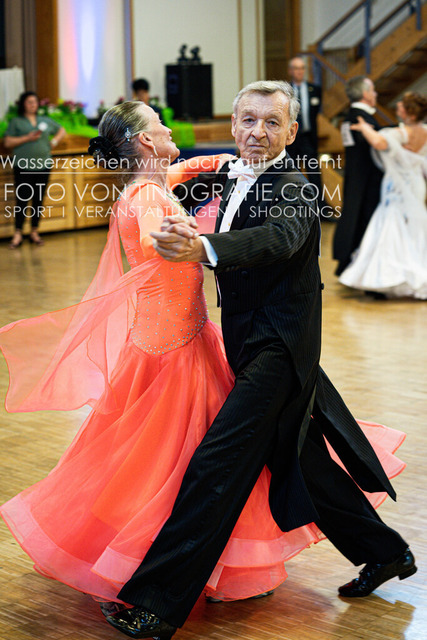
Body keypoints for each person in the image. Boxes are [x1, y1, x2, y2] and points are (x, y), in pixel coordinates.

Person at [0, 100, 403, 617]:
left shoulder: (175, 182)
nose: (170, 128)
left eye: (270, 123)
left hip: (237, 341)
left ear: (290, 131)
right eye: (160, 124)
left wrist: (221, 171)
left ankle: (165, 594)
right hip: (182, 347)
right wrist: (188, 234)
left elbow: (217, 189)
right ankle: (157, 583)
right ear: (146, 141)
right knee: (236, 461)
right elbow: (159, 236)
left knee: (238, 461)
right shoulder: (150, 195)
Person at [106, 81, 416, 640]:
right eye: (248, 120)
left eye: (272, 123)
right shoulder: (231, 172)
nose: (258, 132)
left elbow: (277, 238)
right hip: (248, 342)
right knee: (302, 458)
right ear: (233, 125)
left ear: (292, 132)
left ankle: (155, 604)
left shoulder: (294, 185)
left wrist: (204, 248)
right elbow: (172, 186)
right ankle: (386, 552)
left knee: (217, 466)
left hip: (281, 346)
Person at [339, 92, 427, 298]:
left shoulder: (402, 133)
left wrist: (365, 128)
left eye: (402, 105)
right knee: (414, 226)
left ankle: (391, 274)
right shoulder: (425, 132)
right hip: (416, 183)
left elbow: (379, 143)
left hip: (397, 186)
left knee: (390, 224)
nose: (398, 106)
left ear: (411, 113)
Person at [333, 76, 383, 275]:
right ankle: (355, 265)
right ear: (365, 94)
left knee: (353, 217)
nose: (376, 94)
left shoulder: (350, 117)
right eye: (373, 90)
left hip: (355, 178)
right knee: (361, 219)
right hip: (367, 181)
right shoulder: (361, 119)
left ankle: (347, 262)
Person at [3, 91, 66, 248]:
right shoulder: (16, 122)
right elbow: (7, 142)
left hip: (43, 166)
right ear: (23, 104)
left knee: (38, 200)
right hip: (23, 166)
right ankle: (18, 233)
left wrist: (54, 142)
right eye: (29, 102)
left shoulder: (44, 120)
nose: (33, 105)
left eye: (35, 102)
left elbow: (61, 130)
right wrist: (27, 138)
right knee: (22, 200)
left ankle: (34, 231)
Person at [286, 56, 323, 208]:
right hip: (291, 139)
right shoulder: (285, 91)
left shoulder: (315, 89)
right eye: (296, 68)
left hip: (308, 137)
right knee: (292, 173)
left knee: (314, 173)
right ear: (290, 71)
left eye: (302, 68)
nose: (300, 71)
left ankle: (320, 208)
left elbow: (315, 113)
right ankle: (294, 205)